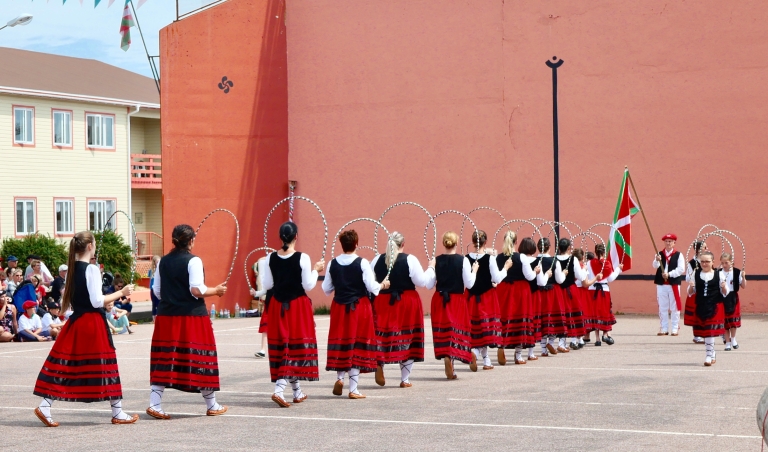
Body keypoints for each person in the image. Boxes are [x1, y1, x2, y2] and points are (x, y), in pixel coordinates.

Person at [32, 231, 138, 427]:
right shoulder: (91, 269)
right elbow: (97, 301)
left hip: (77, 321)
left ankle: (45, 404)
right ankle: (118, 411)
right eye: (95, 243)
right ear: (90, 246)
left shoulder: (72, 270)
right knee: (106, 364)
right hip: (92, 322)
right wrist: (120, 293)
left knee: (66, 365)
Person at [148, 224, 228, 419]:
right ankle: (212, 404)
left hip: (166, 316)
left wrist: (171, 298)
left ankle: (155, 404)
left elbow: (157, 290)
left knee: (164, 358)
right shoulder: (194, 261)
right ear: (192, 240)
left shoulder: (163, 262)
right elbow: (196, 290)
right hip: (192, 316)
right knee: (200, 358)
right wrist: (216, 291)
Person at [260, 222, 324, 407]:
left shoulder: (270, 257)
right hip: (297, 306)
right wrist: (316, 270)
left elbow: (268, 285)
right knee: (295, 348)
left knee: (285, 345)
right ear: (296, 236)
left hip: (278, 305)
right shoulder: (302, 258)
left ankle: (297, 391)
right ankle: (279, 389)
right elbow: (308, 285)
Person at [322, 229, 388, 397]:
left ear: (342, 244)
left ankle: (339, 378)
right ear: (356, 244)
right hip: (359, 307)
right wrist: (383, 285)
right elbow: (371, 287)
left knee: (342, 342)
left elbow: (326, 289)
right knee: (356, 344)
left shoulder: (333, 263)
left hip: (339, 306)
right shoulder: (362, 262)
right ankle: (353, 389)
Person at [371, 231, 434, 387]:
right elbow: (421, 282)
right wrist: (431, 269)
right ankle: (404, 379)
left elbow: (371, 282)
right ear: (403, 244)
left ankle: (379, 362)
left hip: (382, 301)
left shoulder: (377, 259)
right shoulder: (409, 259)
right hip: (406, 301)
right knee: (408, 337)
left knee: (382, 335)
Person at [424, 231, 476, 378]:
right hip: (457, 299)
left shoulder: (436, 260)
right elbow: (470, 284)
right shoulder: (463, 260)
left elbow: (428, 285)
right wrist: (475, 271)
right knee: (458, 330)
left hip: (440, 298)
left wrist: (431, 267)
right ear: (456, 243)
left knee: (445, 331)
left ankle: (449, 358)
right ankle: (463, 354)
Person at [493, 234, 540, 364]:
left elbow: (497, 275)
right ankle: (518, 355)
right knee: (521, 320)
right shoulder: (522, 257)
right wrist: (536, 271)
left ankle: (501, 345)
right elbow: (529, 276)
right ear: (516, 242)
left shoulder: (499, 257)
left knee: (504, 318)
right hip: (520, 291)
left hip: (503, 289)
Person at [464, 230, 502, 369]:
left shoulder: (466, 258)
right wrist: (506, 269)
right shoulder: (489, 258)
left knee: (476, 328)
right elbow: (497, 278)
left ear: (473, 242)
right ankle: (477, 351)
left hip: (470, 296)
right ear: (485, 242)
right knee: (485, 327)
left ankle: (486, 360)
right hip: (487, 296)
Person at [686, 251, 728, 366]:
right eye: (702, 261)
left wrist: (723, 287)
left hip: (714, 305)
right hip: (701, 305)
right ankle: (712, 352)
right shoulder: (696, 273)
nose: (704, 264)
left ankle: (709, 355)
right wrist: (691, 287)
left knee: (710, 332)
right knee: (704, 332)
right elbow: (690, 293)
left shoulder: (719, 274)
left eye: (707, 261)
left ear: (713, 262)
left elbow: (725, 293)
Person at [536, 237, 568, 356]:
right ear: (549, 247)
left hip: (539, 292)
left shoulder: (535, 261)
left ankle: (544, 349)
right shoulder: (555, 261)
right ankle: (551, 342)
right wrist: (564, 274)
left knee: (543, 319)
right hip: (553, 292)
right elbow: (559, 280)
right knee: (554, 318)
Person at [554, 239, 588, 350]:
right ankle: (573, 339)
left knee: (562, 314)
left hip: (558, 289)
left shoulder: (554, 259)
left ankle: (561, 342)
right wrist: (585, 269)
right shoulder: (573, 259)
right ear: (569, 248)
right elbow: (580, 276)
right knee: (573, 313)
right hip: (570, 289)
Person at [586, 244, 622, 346]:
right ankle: (605, 334)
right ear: (604, 252)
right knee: (604, 312)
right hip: (604, 290)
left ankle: (597, 339)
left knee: (595, 313)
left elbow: (587, 275)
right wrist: (618, 269)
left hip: (592, 289)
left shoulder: (589, 263)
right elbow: (611, 278)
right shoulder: (606, 263)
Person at [652, 233, 685, 336]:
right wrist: (657, 260)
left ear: (674, 243)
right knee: (663, 306)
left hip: (673, 284)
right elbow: (654, 266)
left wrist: (669, 274)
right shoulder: (659, 254)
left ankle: (675, 328)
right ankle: (664, 328)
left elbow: (681, 269)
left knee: (674, 307)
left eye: (670, 241)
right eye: (666, 241)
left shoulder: (679, 255)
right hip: (662, 284)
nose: (668, 243)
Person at [684, 241, 708, 344]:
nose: (706, 248)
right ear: (698, 249)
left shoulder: (707, 260)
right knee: (696, 313)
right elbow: (687, 278)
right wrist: (695, 273)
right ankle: (697, 335)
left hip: (706, 289)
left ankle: (709, 333)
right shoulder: (692, 263)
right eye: (704, 247)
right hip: (696, 290)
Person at [720, 253, 745, 351]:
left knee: (733, 322)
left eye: (726, 263)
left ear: (731, 262)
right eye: (722, 263)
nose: (724, 265)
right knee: (725, 322)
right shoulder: (718, 273)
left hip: (733, 297)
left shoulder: (736, 272)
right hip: (722, 298)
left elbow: (743, 285)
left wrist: (743, 277)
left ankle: (733, 339)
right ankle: (727, 342)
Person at [249, 257, 270, 358]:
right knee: (265, 327)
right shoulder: (268, 278)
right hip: (270, 303)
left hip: (281, 303)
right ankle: (263, 349)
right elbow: (265, 290)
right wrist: (256, 293)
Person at [148, 256, 161, 322]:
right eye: (157, 262)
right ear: (154, 263)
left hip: (159, 288)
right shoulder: (151, 271)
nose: (159, 263)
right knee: (154, 303)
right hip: (152, 288)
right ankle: (154, 318)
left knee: (159, 303)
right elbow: (150, 279)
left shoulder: (161, 270)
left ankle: (158, 317)